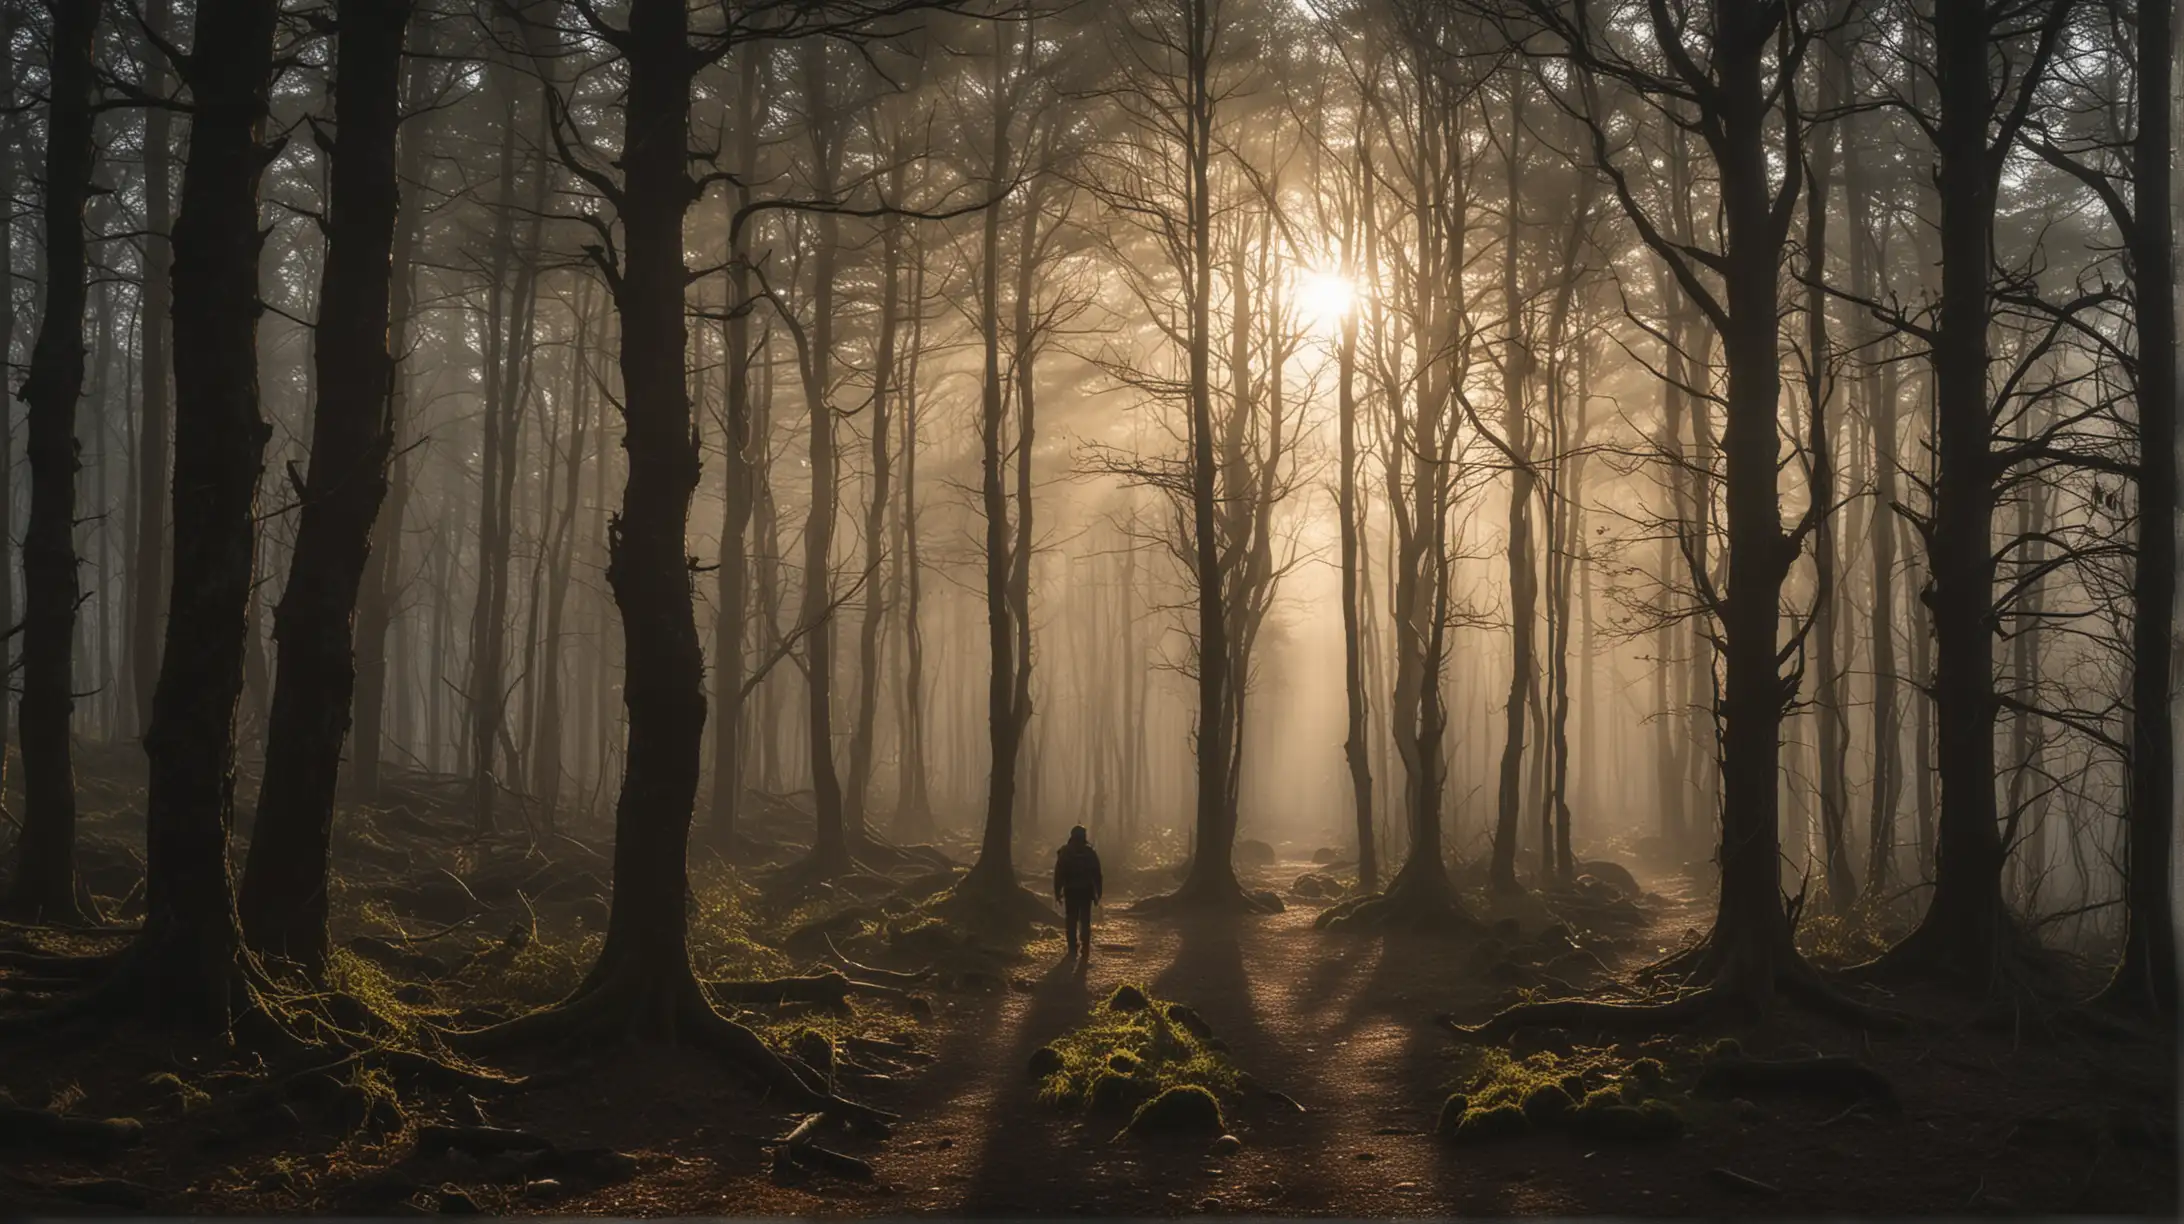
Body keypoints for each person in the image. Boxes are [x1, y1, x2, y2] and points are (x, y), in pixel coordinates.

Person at [1053, 825, 1103, 959]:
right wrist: (1099, 891)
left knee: (1071, 919)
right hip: (1086, 891)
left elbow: (1058, 874)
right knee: (1085, 920)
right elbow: (1097, 874)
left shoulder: (1065, 852)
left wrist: (1057, 892)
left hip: (1071, 891)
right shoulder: (1089, 853)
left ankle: (1072, 947)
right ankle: (1085, 947)